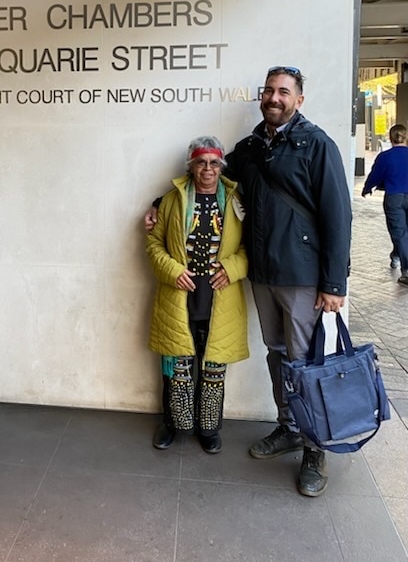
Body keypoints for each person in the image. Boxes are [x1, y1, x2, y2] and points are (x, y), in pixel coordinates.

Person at [145, 66, 352, 497]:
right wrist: (155, 206)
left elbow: (338, 214)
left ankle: (315, 451)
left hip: (302, 275)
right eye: (269, 91)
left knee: (305, 362)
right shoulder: (251, 147)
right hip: (262, 274)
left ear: (299, 99)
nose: (274, 98)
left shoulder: (316, 145)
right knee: (278, 356)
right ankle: (289, 428)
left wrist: (334, 283)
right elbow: (209, 177)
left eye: (284, 92)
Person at [146, 135, 249, 454]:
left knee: (214, 368)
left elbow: (249, 248)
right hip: (178, 300)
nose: (208, 169)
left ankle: (209, 427)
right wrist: (173, 271)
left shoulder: (235, 201)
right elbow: (153, 245)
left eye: (214, 163)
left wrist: (232, 268)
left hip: (220, 301)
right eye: (201, 162)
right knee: (176, 368)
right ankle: (173, 423)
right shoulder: (169, 201)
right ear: (190, 166)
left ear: (221, 166)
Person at [362, 123, 408, 285]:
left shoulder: (385, 157)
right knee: (403, 233)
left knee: (399, 233)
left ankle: (405, 269)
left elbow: (375, 175)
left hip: (394, 197)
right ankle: (397, 255)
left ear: (391, 137)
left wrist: (367, 188)